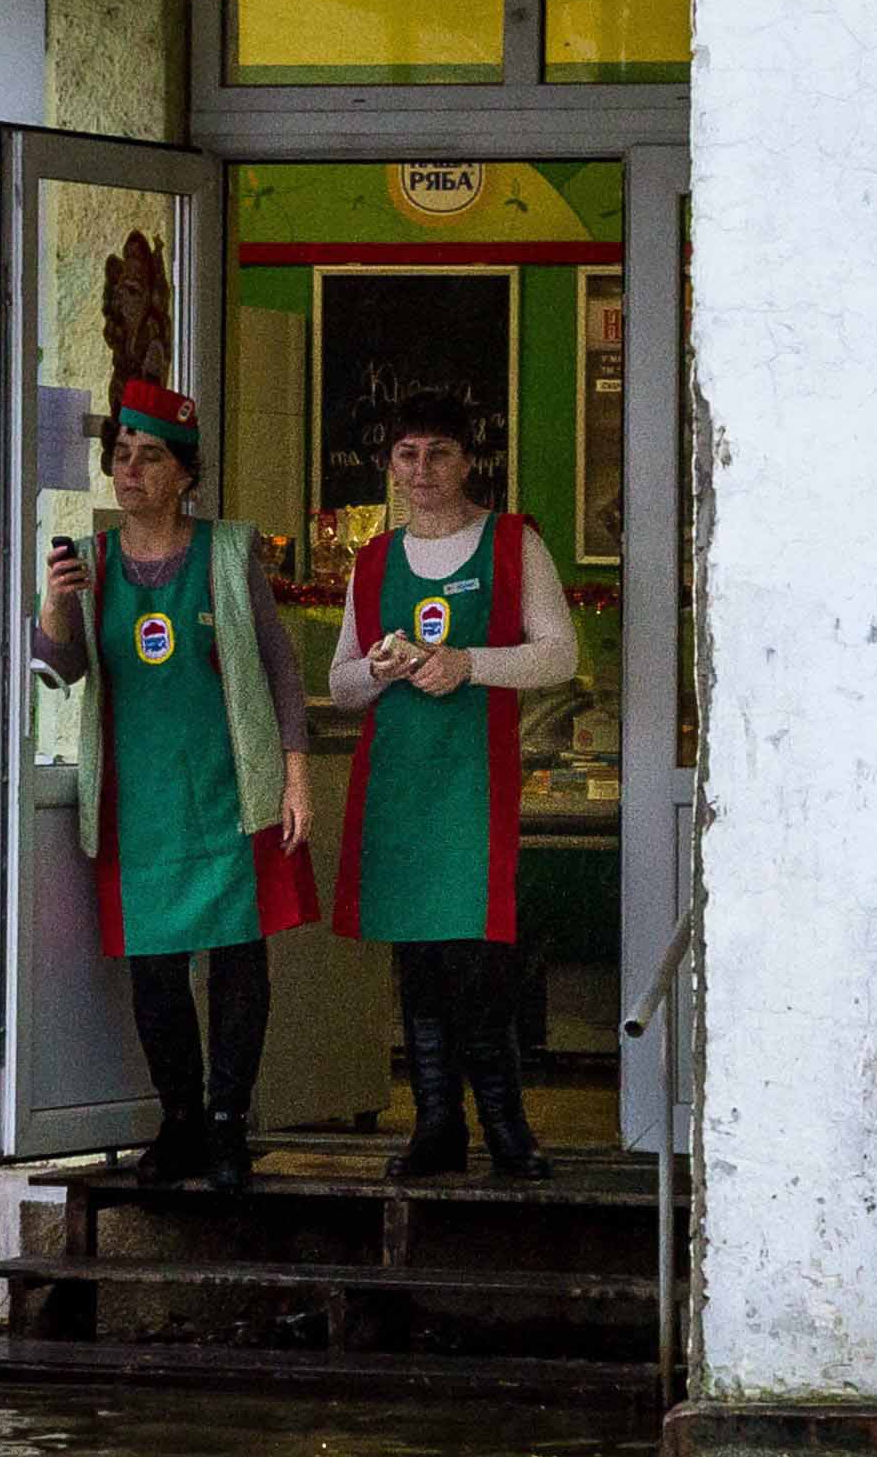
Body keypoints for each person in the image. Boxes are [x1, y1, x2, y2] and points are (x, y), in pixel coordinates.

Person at [32, 378, 317, 1190]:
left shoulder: (228, 552)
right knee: (154, 968)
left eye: (149, 456)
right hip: (139, 800)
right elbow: (62, 671)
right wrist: (55, 611)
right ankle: (180, 1121)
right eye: (120, 455)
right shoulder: (89, 563)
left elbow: (279, 669)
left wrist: (296, 777)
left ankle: (229, 1124)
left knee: (237, 965)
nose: (129, 471)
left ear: (184, 473)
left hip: (233, 792)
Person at [327, 390, 580, 1180]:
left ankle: (508, 1128)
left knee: (480, 961)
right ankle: (436, 1126)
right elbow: (339, 684)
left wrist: (470, 663)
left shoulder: (511, 544)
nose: (423, 469)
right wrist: (377, 667)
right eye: (407, 454)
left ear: (469, 460)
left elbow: (557, 656)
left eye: (439, 452)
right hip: (399, 787)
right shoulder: (372, 560)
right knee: (422, 962)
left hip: (478, 783)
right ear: (389, 466)